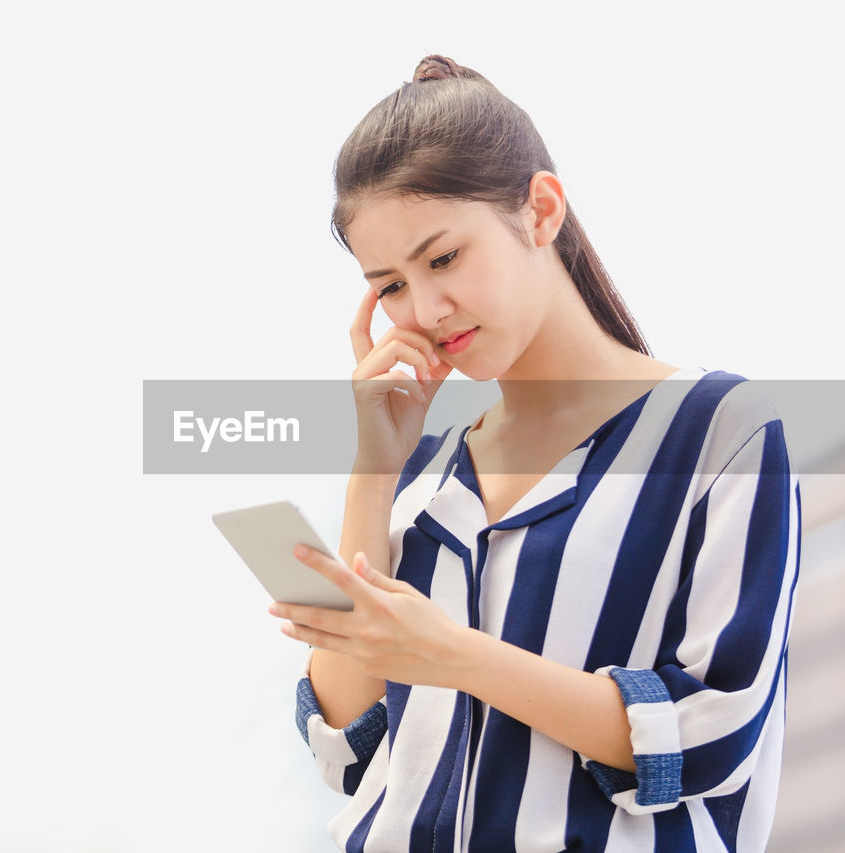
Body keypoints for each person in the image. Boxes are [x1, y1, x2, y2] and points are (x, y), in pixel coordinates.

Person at [266, 55, 802, 852]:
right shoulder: (423, 477)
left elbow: (711, 733)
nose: (427, 309)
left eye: (443, 258)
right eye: (390, 287)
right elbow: (347, 747)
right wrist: (373, 470)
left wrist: (456, 657)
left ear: (541, 210)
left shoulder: (718, 431)